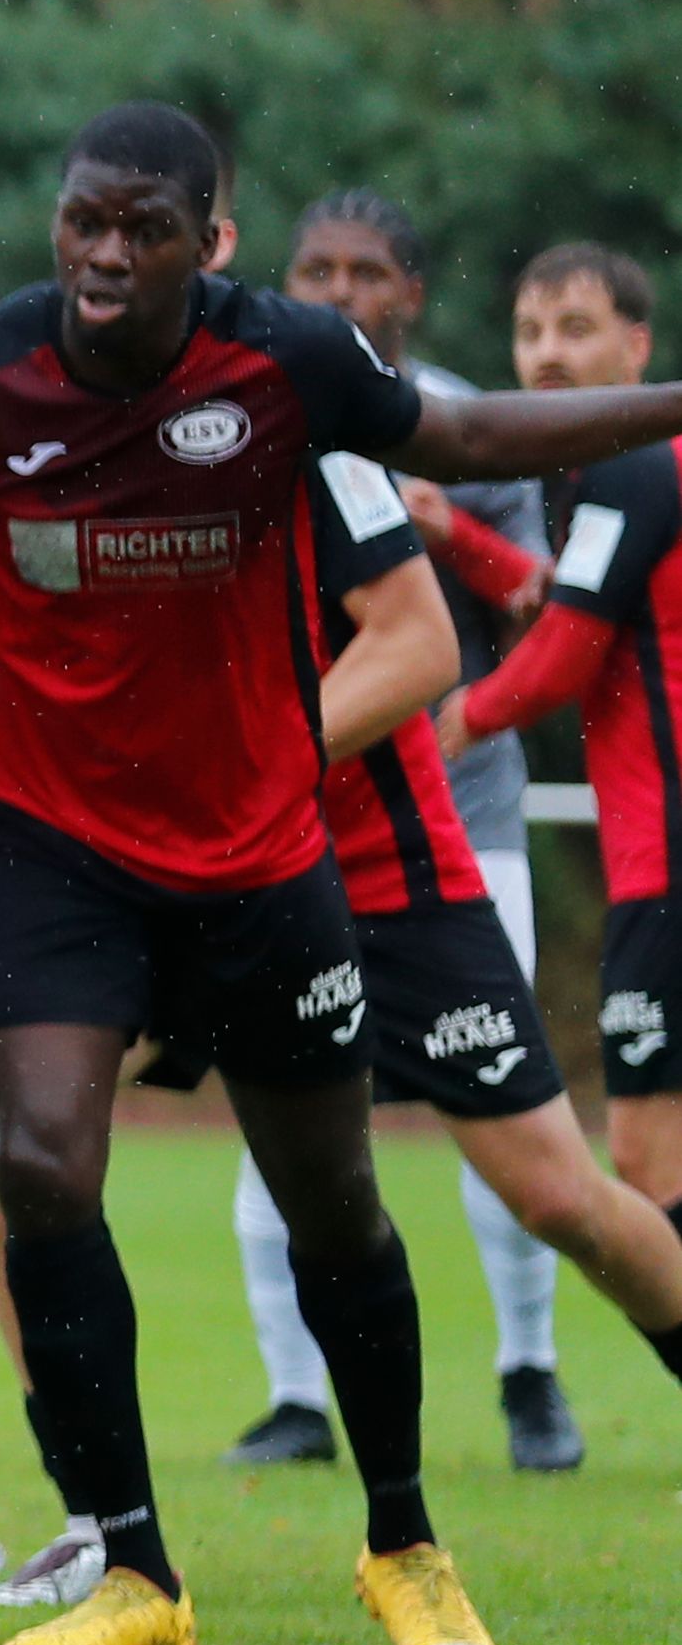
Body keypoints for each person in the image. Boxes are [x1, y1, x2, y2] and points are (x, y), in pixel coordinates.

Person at [0, 101, 682, 1645]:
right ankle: (115, 1546)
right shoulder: (13, 390)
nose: (105, 256)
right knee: (16, 1144)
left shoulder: (304, 410)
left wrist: (247, 753)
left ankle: (405, 1532)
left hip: (342, 865)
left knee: (505, 1195)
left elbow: (418, 632)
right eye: (83, 223)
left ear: (217, 249)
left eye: (364, 269)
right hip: (107, 862)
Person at [230, 196, 579, 1474]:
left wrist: (452, 531)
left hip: (458, 823)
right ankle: (295, 1399)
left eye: (364, 272)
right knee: (285, 1116)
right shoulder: (252, 416)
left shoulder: (458, 423)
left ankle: (530, 1376)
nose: (335, 291)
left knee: (510, 1119)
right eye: (313, 266)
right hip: (288, 828)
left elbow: (548, 614)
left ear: (412, 293)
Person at [444, 242, 682, 1217]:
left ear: (639, 348)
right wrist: (455, 535)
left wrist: (452, 717)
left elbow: (562, 657)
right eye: (530, 332)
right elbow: (585, 606)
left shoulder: (630, 468)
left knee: (648, 1157)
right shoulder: (640, 474)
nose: (546, 356)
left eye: (575, 331)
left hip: (668, 863)